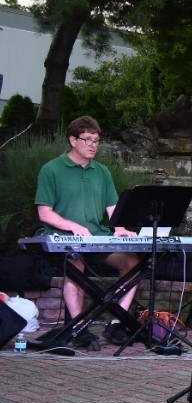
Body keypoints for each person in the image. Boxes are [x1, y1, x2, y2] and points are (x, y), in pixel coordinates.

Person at [34, 116, 142, 348]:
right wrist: (72, 226)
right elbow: (44, 213)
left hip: (98, 237)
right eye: (87, 140)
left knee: (133, 262)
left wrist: (120, 228)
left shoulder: (102, 172)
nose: (93, 145)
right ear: (73, 140)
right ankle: (78, 328)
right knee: (76, 266)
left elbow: (113, 207)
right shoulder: (51, 169)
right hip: (66, 239)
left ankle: (117, 322)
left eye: (96, 140)